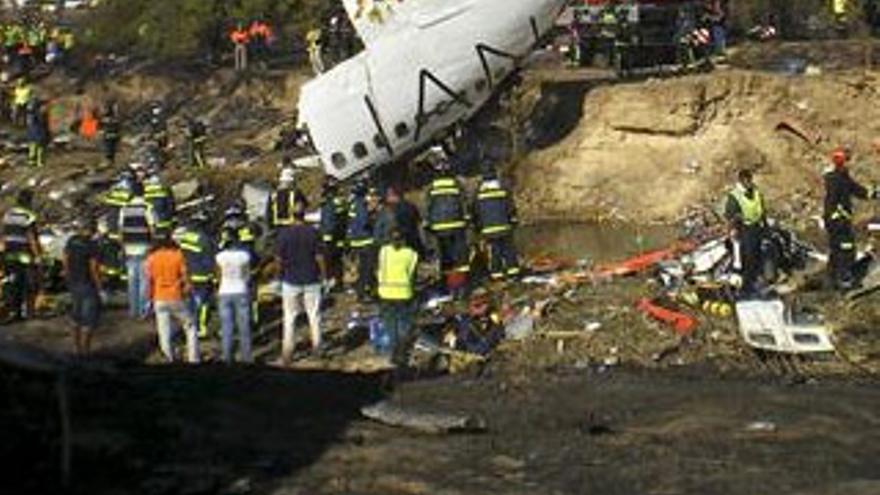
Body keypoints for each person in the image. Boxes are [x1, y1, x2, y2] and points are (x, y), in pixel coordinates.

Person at [277, 200, 325, 364]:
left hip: (290, 280)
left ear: (292, 214)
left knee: (289, 317)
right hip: (311, 278)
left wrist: (279, 276)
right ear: (304, 214)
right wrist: (324, 276)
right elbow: (319, 257)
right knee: (314, 315)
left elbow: (279, 259)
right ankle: (318, 348)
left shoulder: (284, 234)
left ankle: (288, 352)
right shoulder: (313, 232)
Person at [824, 148, 877, 290]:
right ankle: (844, 279)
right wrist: (837, 217)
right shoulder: (835, 180)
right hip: (837, 222)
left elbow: (858, 190)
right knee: (846, 249)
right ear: (840, 162)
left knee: (836, 250)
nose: (849, 163)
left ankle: (830, 280)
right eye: (847, 160)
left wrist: (873, 193)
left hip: (840, 220)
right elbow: (831, 203)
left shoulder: (843, 177)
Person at [146, 235, 199, 363]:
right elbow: (185, 275)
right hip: (175, 295)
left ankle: (168, 358)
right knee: (190, 326)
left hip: (159, 297)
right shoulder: (177, 255)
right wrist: (187, 287)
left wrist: (150, 298)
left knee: (164, 332)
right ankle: (193, 358)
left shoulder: (151, 258)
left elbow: (150, 280)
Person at [425, 160, 470, 295]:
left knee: (446, 258)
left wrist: (428, 224)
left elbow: (428, 207)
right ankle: (462, 284)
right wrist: (467, 219)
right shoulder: (457, 185)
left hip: (440, 229)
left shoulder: (431, 188)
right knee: (460, 256)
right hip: (457, 225)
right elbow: (464, 202)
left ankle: (447, 285)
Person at [377, 226, 419, 367]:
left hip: (385, 293)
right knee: (404, 325)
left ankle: (394, 352)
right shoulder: (411, 254)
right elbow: (412, 276)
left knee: (390, 325)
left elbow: (379, 269)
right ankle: (402, 353)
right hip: (404, 293)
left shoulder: (384, 252)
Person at [2, 190, 42, 321]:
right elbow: (31, 238)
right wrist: (37, 256)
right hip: (24, 254)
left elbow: (3, 235)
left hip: (9, 254)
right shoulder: (29, 215)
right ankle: (30, 313)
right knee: (29, 284)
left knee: (13, 284)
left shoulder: (8, 214)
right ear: (29, 202)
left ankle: (15, 312)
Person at [725, 169, 766, 295]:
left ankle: (755, 280)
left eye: (750, 179)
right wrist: (733, 230)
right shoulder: (735, 195)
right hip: (744, 229)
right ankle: (746, 287)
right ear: (741, 181)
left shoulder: (756, 192)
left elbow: (762, 208)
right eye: (746, 180)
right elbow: (731, 215)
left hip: (756, 227)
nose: (749, 182)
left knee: (756, 255)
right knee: (746, 258)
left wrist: (765, 225)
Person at [63, 219, 102, 356]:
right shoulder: (92, 245)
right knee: (88, 320)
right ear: (93, 230)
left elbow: (65, 259)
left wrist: (67, 276)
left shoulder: (72, 240)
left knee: (76, 317)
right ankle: (85, 352)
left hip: (74, 283)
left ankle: (76, 348)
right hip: (87, 284)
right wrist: (99, 286)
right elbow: (93, 268)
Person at [473, 171, 520, 281]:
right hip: (504, 227)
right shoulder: (503, 190)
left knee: (495, 251)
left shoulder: (479, 193)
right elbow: (511, 207)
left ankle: (496, 274)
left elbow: (475, 211)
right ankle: (513, 274)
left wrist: (478, 227)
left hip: (489, 229)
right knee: (509, 250)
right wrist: (513, 221)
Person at [215, 227, 253, 363]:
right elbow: (247, 275)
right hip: (241, 290)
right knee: (244, 327)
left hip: (224, 291)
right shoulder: (244, 255)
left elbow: (218, 276)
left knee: (226, 327)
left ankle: (226, 357)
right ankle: (247, 357)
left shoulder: (219, 257)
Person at [175, 213, 216, 339]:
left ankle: (189, 325)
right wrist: (213, 278)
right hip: (202, 276)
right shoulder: (205, 239)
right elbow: (209, 261)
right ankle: (201, 328)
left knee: (189, 302)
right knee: (203, 303)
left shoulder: (185, 237)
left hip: (187, 274)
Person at [119, 180, 153, 319]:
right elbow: (152, 228)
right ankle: (143, 311)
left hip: (129, 248)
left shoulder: (124, 208)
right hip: (144, 247)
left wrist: (123, 246)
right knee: (144, 281)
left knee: (132, 281)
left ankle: (133, 311)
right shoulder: (147, 207)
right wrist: (152, 245)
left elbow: (120, 230)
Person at [347, 180, 378, 302]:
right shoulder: (361, 204)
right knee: (367, 269)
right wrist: (372, 214)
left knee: (365, 268)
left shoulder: (353, 203)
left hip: (356, 241)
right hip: (365, 241)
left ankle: (373, 289)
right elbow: (364, 221)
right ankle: (362, 293)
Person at [318, 178, 347, 290]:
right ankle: (338, 283)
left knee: (329, 261)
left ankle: (331, 283)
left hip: (330, 239)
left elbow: (328, 221)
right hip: (340, 237)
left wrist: (326, 237)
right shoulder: (341, 201)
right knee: (338, 261)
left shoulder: (329, 203)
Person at [144, 172, 176, 238]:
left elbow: (147, 205)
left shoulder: (147, 188)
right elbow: (170, 204)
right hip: (164, 221)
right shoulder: (164, 187)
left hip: (154, 220)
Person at [25, 97, 48, 168]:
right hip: (38, 132)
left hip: (31, 133)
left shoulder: (28, 115)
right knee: (40, 148)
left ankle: (31, 162)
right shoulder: (39, 114)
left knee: (32, 147)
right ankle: (40, 162)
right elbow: (43, 123)